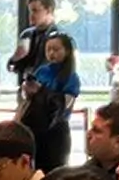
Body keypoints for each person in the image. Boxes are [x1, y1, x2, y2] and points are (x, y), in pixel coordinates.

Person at [18, 33, 80, 172]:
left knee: (54, 170)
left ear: (67, 51)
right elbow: (28, 99)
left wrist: (42, 91)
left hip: (56, 130)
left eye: (56, 49)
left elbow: (65, 104)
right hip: (35, 127)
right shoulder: (42, 71)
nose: (51, 53)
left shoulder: (71, 77)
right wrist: (27, 89)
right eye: (48, 50)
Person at [5, 0, 63, 86]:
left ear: (48, 11)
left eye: (35, 11)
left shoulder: (59, 37)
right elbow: (13, 68)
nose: (31, 15)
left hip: (48, 89)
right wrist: (16, 57)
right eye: (30, 11)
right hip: (26, 88)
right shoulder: (27, 34)